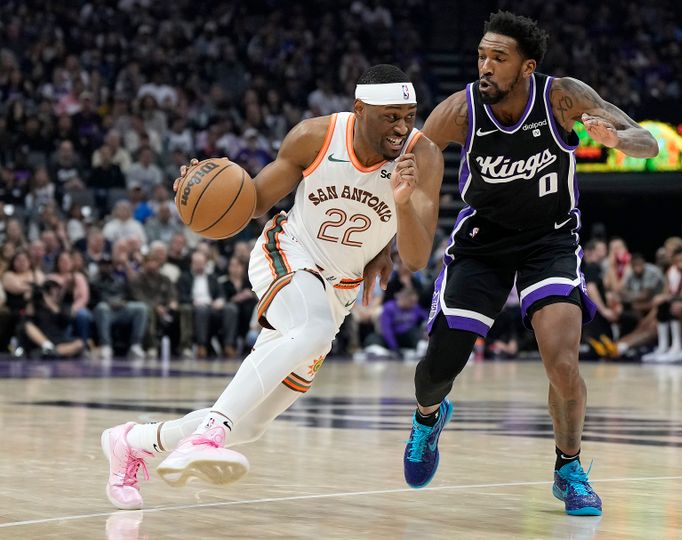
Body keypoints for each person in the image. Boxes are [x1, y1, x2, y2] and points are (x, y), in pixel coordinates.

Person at [100, 65, 443, 510]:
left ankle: (134, 442)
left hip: (338, 291)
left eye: (409, 116)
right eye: (390, 117)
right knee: (312, 329)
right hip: (287, 252)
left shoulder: (423, 157)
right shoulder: (315, 138)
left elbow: (415, 259)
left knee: (255, 422)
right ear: (360, 110)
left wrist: (401, 204)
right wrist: (200, 181)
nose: (401, 128)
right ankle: (208, 435)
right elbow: (253, 202)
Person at [403, 11, 657, 517]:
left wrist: (617, 142)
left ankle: (569, 468)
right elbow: (415, 172)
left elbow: (646, 140)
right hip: (483, 242)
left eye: (499, 57)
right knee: (437, 369)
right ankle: (428, 418)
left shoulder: (562, 97)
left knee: (562, 361)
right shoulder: (456, 112)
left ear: (527, 66)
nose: (486, 65)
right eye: (481, 55)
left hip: (550, 239)